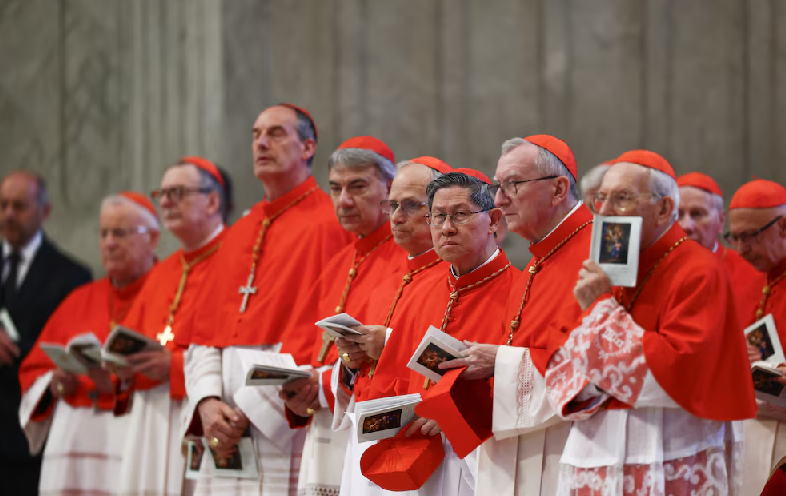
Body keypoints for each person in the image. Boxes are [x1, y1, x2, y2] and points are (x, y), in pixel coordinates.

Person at [545, 150, 756, 495]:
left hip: (670, 446)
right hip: (598, 444)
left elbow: (679, 369)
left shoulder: (698, 269)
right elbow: (563, 352)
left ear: (664, 209)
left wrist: (600, 308)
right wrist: (597, 376)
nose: (606, 211)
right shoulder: (605, 263)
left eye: (622, 198)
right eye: (601, 198)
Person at [181, 104, 354, 495]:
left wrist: (252, 411)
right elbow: (203, 332)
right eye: (256, 133)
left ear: (308, 146)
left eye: (276, 133)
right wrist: (208, 402)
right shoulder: (239, 230)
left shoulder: (332, 225)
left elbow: (329, 333)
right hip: (222, 422)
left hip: (284, 421)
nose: (261, 142)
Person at [432, 135, 593, 496]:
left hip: (570, 450)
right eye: (498, 186)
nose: (500, 200)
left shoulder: (597, 257)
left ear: (558, 189)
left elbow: (596, 370)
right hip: (528, 452)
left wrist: (500, 362)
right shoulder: (538, 262)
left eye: (513, 185)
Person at [363, 171, 520, 494]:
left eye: (460, 215)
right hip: (413, 458)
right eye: (437, 217)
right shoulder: (421, 292)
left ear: (493, 220)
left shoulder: (521, 292)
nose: (447, 228)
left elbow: (526, 382)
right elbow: (389, 382)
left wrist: (456, 412)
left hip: (485, 460)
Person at [281, 136, 407, 496]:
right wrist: (294, 387)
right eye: (335, 189)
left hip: (367, 426)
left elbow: (392, 352)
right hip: (324, 423)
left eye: (357, 187)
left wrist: (320, 386)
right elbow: (307, 345)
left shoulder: (406, 259)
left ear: (390, 186)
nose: (344, 200)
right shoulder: (341, 262)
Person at [18, 192, 159, 495]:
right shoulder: (79, 299)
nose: (109, 242)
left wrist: (119, 385)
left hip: (138, 438)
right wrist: (55, 383)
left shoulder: (170, 294)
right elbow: (34, 369)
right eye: (104, 233)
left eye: (120, 232)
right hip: (77, 444)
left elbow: (179, 369)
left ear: (153, 239)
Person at [332, 156, 453, 496]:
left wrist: (388, 342)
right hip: (366, 436)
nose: (397, 217)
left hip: (417, 444)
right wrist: (351, 361)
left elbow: (465, 359)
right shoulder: (385, 281)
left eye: (412, 206)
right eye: (393, 205)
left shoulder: (453, 277)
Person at [117, 157, 229, 496]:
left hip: (200, 410)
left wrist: (176, 367)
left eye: (177, 192)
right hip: (151, 415)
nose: (164, 202)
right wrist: (121, 367)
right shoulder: (163, 271)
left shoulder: (236, 261)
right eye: (162, 193)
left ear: (212, 201)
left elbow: (242, 346)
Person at [0, 171, 91, 496]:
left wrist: (14, 348)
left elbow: (70, 353)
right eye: (3, 205)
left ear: (45, 211)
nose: (9, 214)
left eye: (19, 206)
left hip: (27, 436)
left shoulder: (72, 276)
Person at [726, 179, 786, 496]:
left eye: (750, 236)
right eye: (734, 238)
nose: (741, 250)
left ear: (784, 227)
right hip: (747, 432)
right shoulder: (748, 278)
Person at [677, 172, 764, 315]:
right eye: (678, 215)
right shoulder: (653, 271)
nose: (687, 225)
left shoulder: (752, 271)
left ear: (721, 220)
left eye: (697, 214)